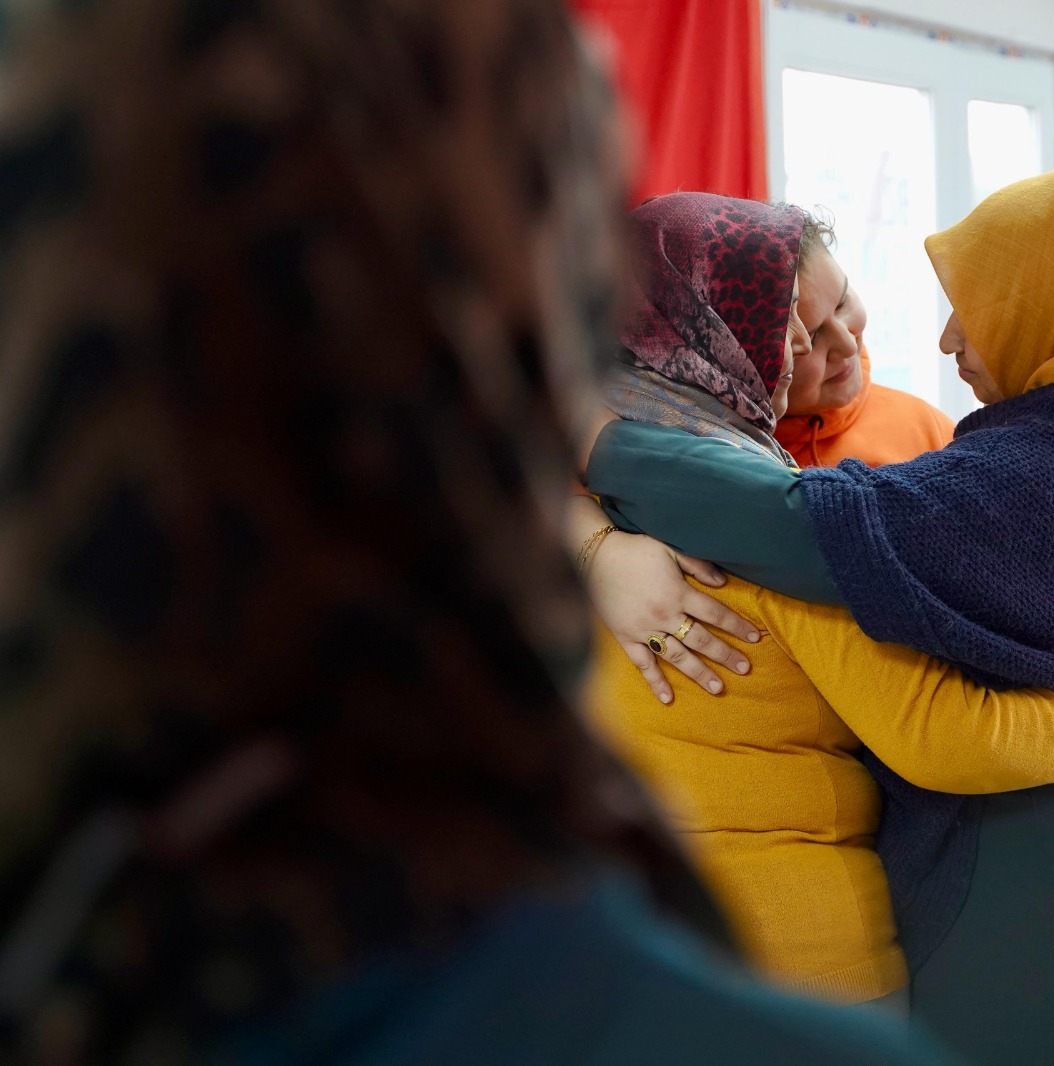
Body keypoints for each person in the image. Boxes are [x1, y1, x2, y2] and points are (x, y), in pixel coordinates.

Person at [0, 2, 965, 1063]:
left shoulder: (76, 939)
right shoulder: (678, 471)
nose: (831, 350)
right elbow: (921, 713)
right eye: (797, 331)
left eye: (843, 314)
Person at [583, 160, 1054, 1064]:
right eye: (792, 329)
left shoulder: (1013, 469)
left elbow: (797, 524)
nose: (945, 337)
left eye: (979, 306)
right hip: (836, 937)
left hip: (1038, 891)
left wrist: (568, 437)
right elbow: (937, 722)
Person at [773, 212, 956, 468]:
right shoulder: (735, 462)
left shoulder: (929, 430)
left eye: (842, 303)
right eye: (813, 338)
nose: (848, 346)